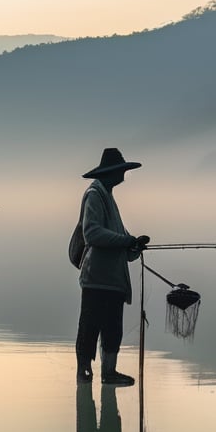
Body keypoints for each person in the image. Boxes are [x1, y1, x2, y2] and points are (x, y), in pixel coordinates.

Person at [75, 147, 149, 386]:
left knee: (112, 329)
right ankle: (84, 371)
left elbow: (122, 244)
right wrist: (126, 241)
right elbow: (92, 233)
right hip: (97, 277)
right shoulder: (95, 194)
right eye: (121, 171)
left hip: (113, 279)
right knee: (90, 326)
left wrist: (134, 245)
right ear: (111, 173)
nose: (124, 175)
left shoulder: (108, 196)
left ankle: (109, 373)